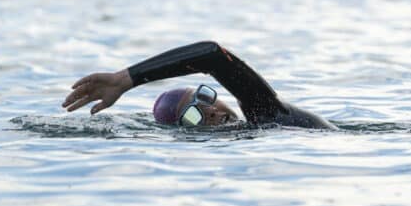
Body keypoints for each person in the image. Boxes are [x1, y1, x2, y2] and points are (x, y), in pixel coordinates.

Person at [62, 41, 335, 130]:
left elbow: (213, 55)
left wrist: (125, 79)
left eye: (205, 99)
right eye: (194, 116)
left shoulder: (267, 111)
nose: (213, 113)